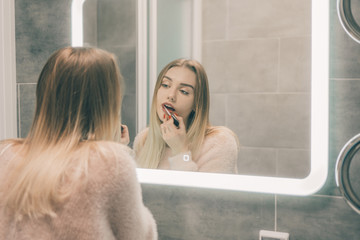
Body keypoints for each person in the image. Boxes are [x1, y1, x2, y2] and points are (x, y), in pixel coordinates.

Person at [0, 47, 157, 239]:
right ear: (106, 104)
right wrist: (112, 148)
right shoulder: (111, 163)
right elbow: (140, 236)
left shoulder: (6, 154)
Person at [133, 58, 239, 173]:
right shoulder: (144, 139)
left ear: (196, 104)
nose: (171, 95)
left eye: (184, 91)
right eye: (165, 85)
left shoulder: (219, 143)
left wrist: (181, 152)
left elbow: (195, 191)